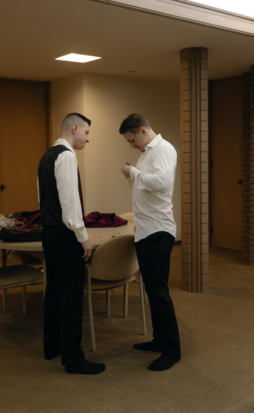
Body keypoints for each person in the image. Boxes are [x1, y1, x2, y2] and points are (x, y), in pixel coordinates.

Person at [38, 113, 105, 375]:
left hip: (49, 233)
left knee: (54, 290)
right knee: (71, 296)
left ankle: (52, 347)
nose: (87, 139)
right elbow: (70, 203)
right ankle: (73, 359)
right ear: (74, 128)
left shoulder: (46, 156)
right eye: (86, 133)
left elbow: (42, 198)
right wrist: (83, 237)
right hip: (66, 236)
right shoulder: (66, 156)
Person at [119, 113, 181, 371]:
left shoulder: (163, 149)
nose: (132, 145)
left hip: (157, 230)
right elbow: (147, 186)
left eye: (132, 139)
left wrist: (133, 171)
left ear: (143, 131)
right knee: (151, 290)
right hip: (146, 231)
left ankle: (171, 350)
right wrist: (132, 174)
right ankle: (159, 339)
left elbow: (163, 183)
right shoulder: (147, 152)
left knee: (158, 291)